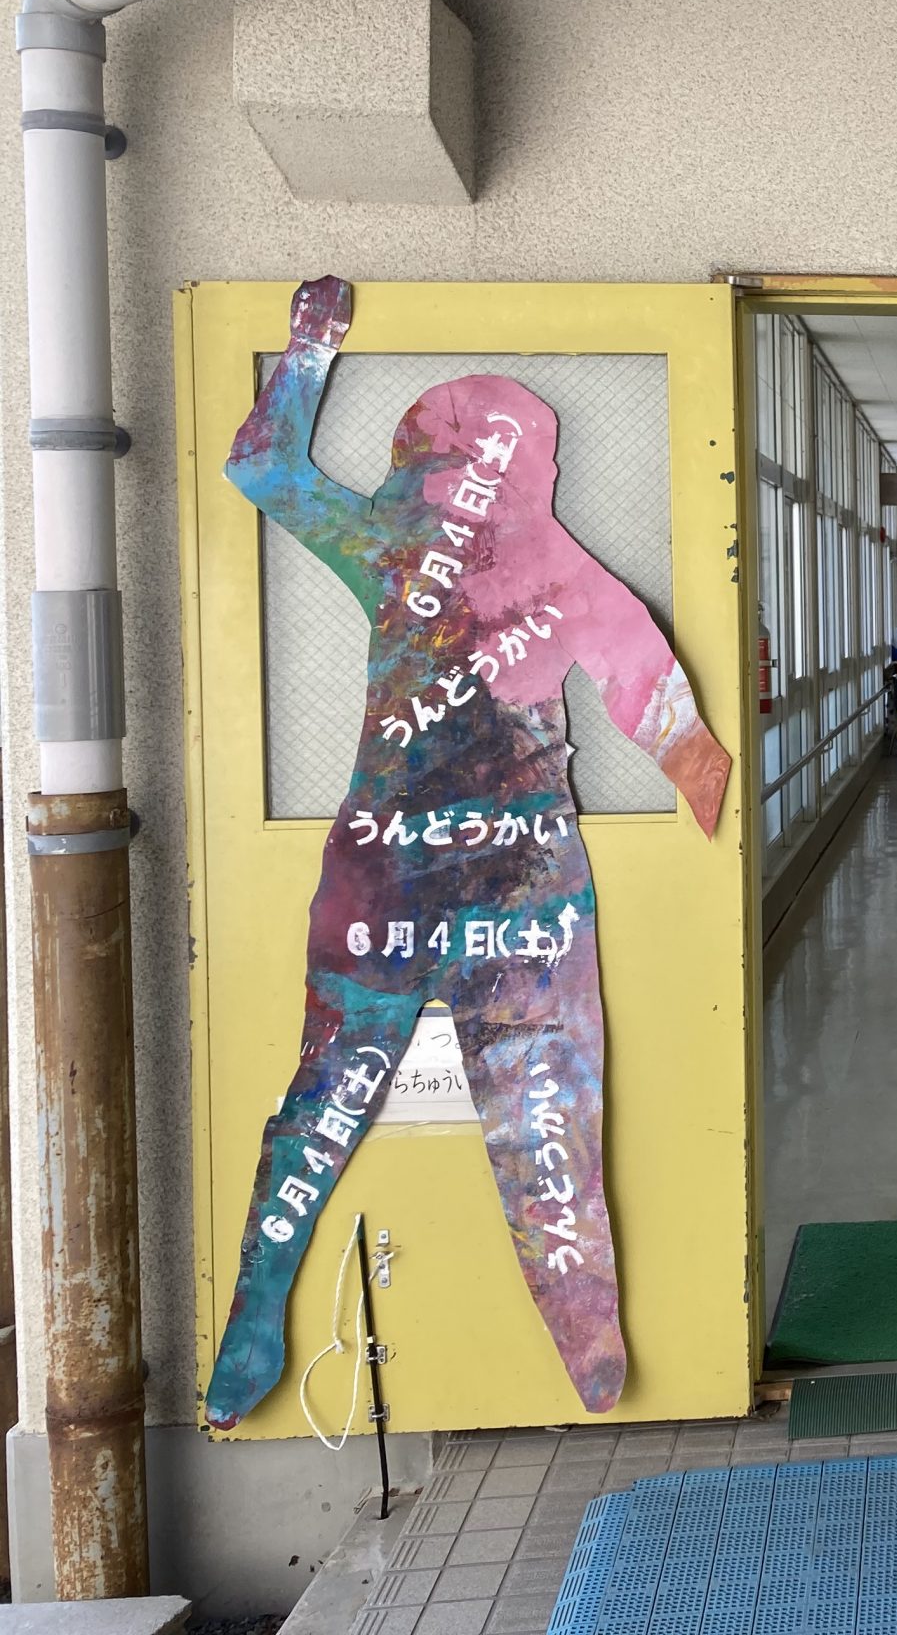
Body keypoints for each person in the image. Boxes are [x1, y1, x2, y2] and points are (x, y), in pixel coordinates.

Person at [206, 276, 732, 1427]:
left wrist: (308, 347)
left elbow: (260, 468)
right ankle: (588, 1345)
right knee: (547, 1120)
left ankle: (251, 1326)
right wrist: (715, 809)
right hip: (525, 891)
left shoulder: (393, 547)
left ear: (417, 461)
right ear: (536, 468)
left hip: (381, 877)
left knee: (325, 1100)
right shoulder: (567, 575)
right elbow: (673, 729)